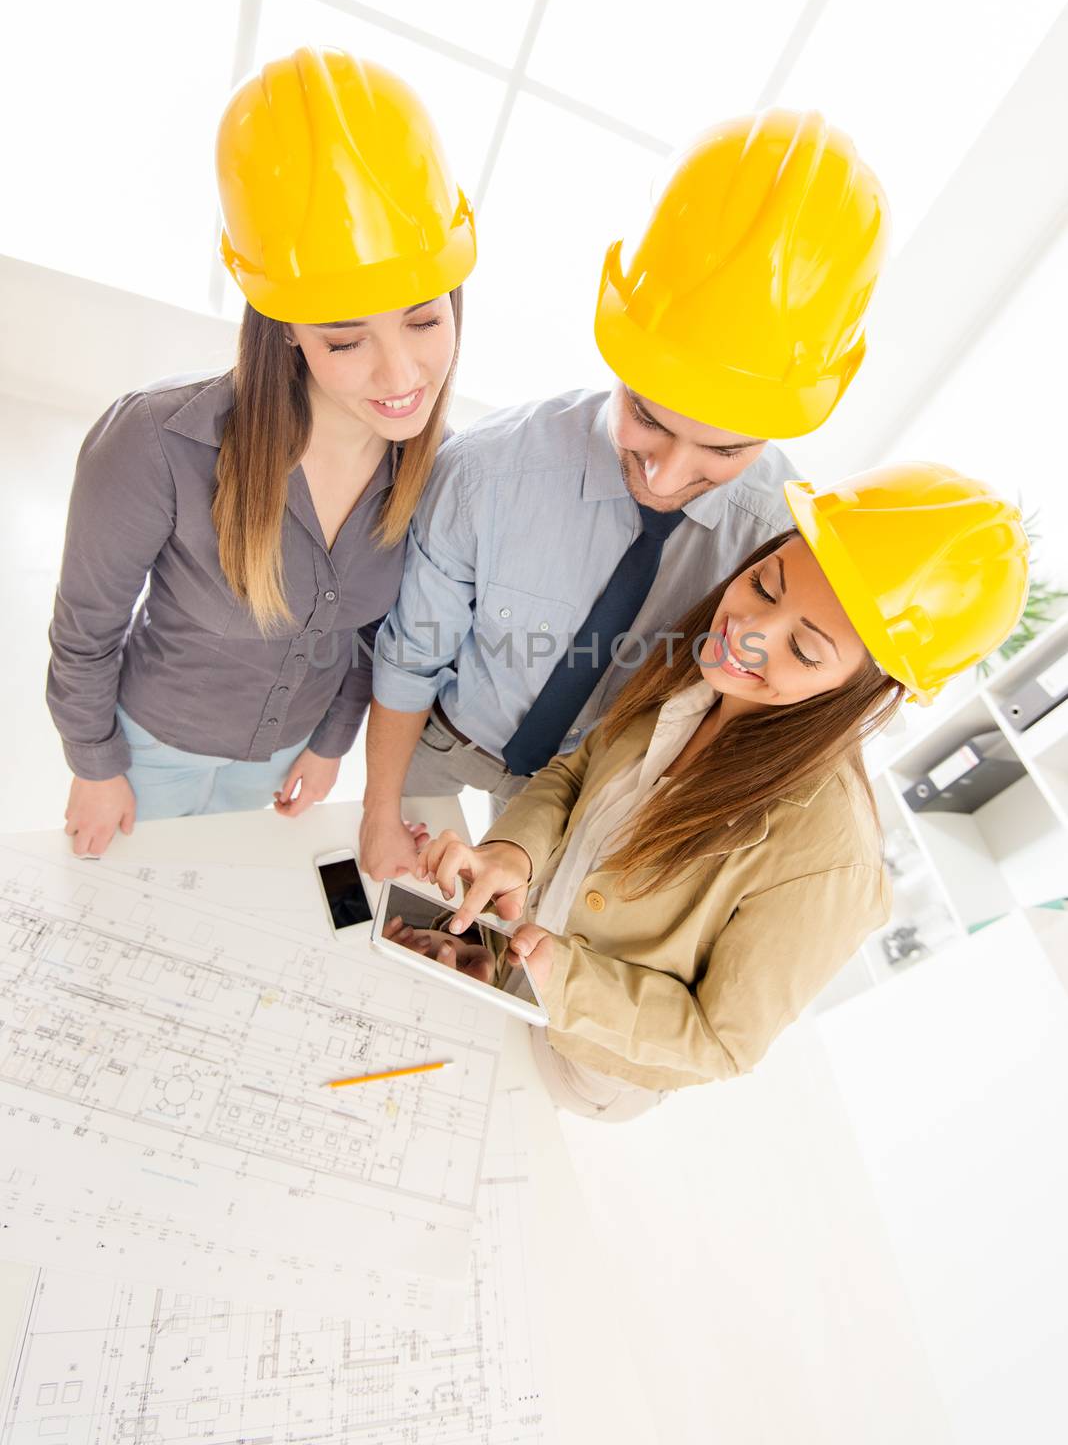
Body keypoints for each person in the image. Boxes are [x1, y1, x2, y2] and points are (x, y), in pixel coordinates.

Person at [402, 463, 1029, 1120]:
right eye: (763, 585)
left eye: (806, 651)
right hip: (500, 960)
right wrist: (513, 855)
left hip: (584, 1063)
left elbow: (721, 1039)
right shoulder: (695, 674)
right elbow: (577, 774)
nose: (751, 634)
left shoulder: (830, 853)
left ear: (863, 688)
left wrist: (564, 979)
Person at [359, 109, 890, 880]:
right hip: (444, 739)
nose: (667, 477)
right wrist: (379, 813)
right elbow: (411, 658)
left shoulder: (789, 552)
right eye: (646, 417)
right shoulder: (488, 469)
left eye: (724, 450)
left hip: (578, 793)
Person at [47, 47, 475, 856]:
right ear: (285, 330)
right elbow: (86, 629)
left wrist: (327, 744)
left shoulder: (437, 471)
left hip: (281, 757)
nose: (400, 376)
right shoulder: (153, 442)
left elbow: (371, 638)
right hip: (150, 751)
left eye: (425, 321)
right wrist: (95, 764)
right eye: (346, 341)